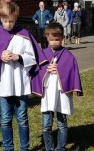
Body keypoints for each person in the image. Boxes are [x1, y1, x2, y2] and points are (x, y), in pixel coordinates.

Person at [0, 2, 46, 151]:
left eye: (11, 21)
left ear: (16, 19)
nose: (8, 24)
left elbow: (33, 57)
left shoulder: (24, 35)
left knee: (22, 119)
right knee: (5, 119)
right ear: (1, 19)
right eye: (5, 21)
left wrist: (18, 56)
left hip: (20, 84)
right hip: (3, 84)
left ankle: (24, 148)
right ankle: (8, 148)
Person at [31, 22, 83, 151]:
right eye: (51, 39)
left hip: (61, 93)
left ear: (62, 38)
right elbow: (36, 71)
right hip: (48, 93)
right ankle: (49, 148)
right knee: (46, 125)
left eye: (57, 39)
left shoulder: (68, 56)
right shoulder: (43, 54)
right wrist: (46, 69)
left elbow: (72, 71)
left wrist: (59, 69)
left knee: (62, 123)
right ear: (47, 38)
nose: (54, 42)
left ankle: (60, 148)